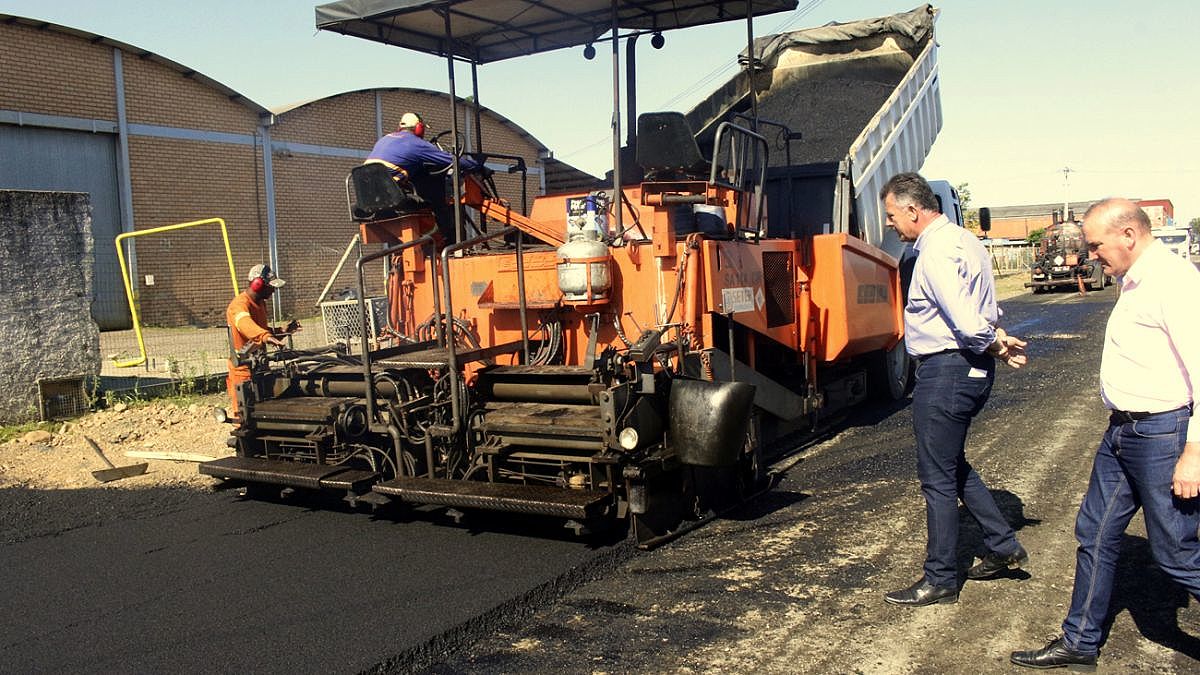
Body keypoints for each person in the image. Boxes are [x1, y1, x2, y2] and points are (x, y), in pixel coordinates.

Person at [1011, 198, 1200, 670]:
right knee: (1094, 533)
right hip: (1123, 434)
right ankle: (1080, 641)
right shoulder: (1132, 281)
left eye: (1096, 244)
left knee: (1176, 554)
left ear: (1129, 235)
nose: (1091, 254)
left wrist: (1194, 451)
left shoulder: (1173, 283)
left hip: (1163, 434)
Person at [879, 172, 1030, 608]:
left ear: (913, 209)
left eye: (892, 215)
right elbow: (986, 306)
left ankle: (941, 578)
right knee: (950, 463)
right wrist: (995, 343)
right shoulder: (968, 242)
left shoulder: (935, 254)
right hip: (968, 369)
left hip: (947, 369)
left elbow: (966, 320)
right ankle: (1002, 546)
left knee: (936, 479)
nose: (890, 224)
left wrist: (995, 344)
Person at [365, 112, 482, 244]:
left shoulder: (384, 139)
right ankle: (450, 241)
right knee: (436, 201)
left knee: (422, 181)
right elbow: (452, 161)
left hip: (368, 199)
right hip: (392, 197)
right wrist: (477, 165)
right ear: (419, 127)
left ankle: (431, 245)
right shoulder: (417, 144)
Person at [225, 264, 300, 418]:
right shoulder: (239, 305)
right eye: (270, 286)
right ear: (257, 285)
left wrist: (281, 332)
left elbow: (262, 330)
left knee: (265, 414)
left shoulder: (260, 304)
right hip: (244, 373)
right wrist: (265, 336)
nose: (273, 290)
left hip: (260, 368)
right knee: (246, 418)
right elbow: (245, 324)